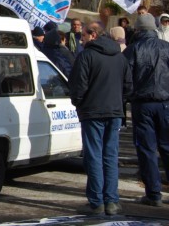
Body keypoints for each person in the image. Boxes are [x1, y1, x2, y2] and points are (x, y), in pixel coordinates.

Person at [69, 22, 132, 216]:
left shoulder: (86, 56)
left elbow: (78, 86)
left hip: (93, 112)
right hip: (113, 111)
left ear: (94, 35)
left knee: (95, 156)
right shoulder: (120, 58)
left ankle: (97, 201)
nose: (82, 38)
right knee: (110, 156)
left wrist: (79, 103)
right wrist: (118, 102)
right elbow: (128, 86)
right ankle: (111, 201)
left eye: (85, 35)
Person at [123, 14, 169, 207]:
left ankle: (154, 194)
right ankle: (154, 193)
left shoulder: (133, 49)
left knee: (147, 149)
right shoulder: (166, 47)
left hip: (143, 104)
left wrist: (126, 98)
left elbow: (125, 79)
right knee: (166, 147)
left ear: (138, 30)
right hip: (165, 102)